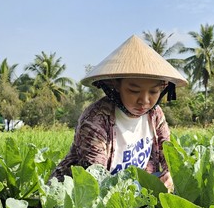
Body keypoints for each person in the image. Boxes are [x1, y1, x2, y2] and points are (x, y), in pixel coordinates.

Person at [50, 35, 187, 193]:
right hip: (85, 194)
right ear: (116, 85)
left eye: (153, 92)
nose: (144, 101)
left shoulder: (155, 114)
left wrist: (168, 175)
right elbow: (96, 178)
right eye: (133, 91)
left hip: (134, 188)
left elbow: (166, 151)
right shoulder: (96, 120)